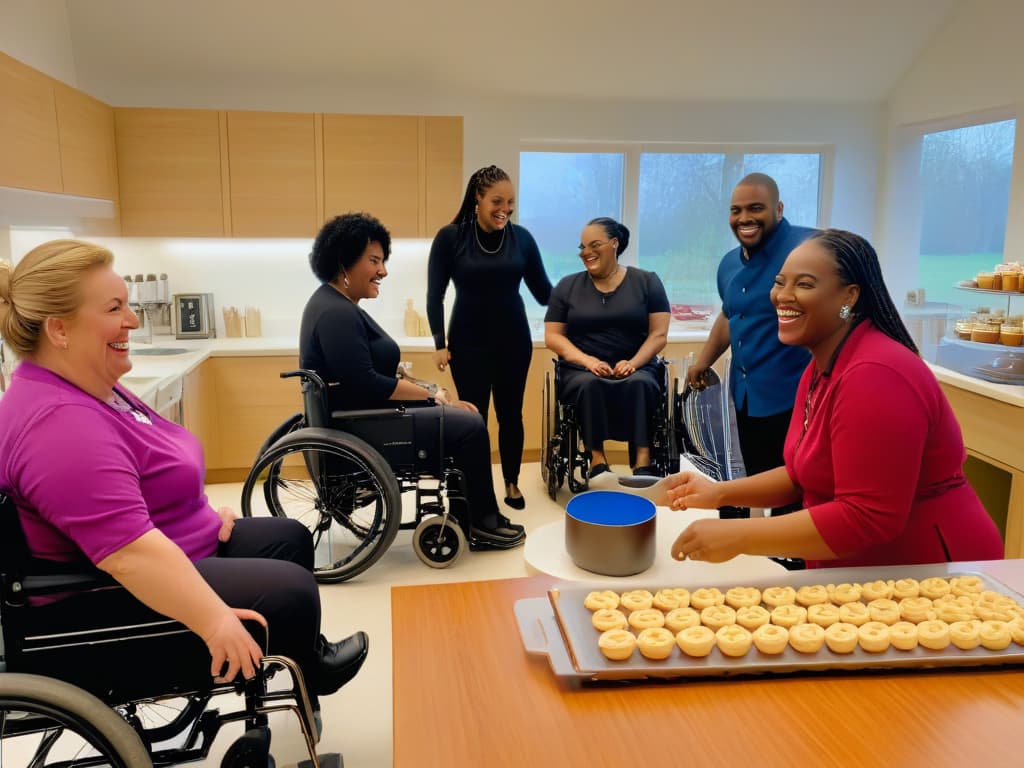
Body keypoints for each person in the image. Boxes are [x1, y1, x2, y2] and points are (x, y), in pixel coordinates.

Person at [0, 239, 368, 711]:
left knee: (291, 538)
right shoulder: (57, 427)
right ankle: (298, 667)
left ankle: (302, 661)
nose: (132, 321)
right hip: (100, 595)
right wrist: (214, 621)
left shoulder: (87, 388)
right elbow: (129, 556)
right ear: (59, 329)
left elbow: (139, 481)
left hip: (156, 550)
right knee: (291, 593)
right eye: (115, 308)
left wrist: (195, 512)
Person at [661, 229, 1004, 568]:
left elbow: (867, 517)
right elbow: (802, 475)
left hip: (932, 572)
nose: (783, 296)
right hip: (871, 568)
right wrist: (718, 493)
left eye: (805, 284)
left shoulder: (876, 374)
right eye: (780, 282)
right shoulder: (821, 365)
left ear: (849, 296)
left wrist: (738, 536)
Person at [300, 212, 525, 547]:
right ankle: (482, 521)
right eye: (374, 261)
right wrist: (431, 396)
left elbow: (373, 378)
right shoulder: (336, 314)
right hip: (369, 427)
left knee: (465, 415)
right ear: (344, 261)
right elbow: (368, 384)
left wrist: (433, 391)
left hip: (367, 419)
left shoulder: (336, 305)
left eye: (383, 261)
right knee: (471, 427)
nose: (383, 271)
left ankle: (473, 515)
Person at [687, 173, 816, 518]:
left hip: (798, 398)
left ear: (778, 208)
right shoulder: (729, 264)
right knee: (760, 480)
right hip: (747, 396)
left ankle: (794, 565)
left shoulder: (810, 250)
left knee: (798, 491)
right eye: (736, 210)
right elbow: (731, 316)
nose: (744, 218)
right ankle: (766, 558)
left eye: (756, 208)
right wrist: (704, 361)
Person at [427, 165, 552, 510]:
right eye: (497, 200)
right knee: (473, 420)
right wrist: (439, 343)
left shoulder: (522, 239)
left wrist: (582, 294)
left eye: (510, 202)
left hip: (514, 342)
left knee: (511, 416)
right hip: (467, 344)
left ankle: (511, 482)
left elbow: (544, 293)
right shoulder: (450, 238)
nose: (505, 209)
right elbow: (434, 294)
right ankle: (477, 490)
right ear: (478, 199)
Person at [544, 217, 670, 477]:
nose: (586, 253)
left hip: (637, 365)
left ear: (614, 244)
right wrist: (587, 361)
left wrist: (633, 363)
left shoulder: (647, 282)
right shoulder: (567, 287)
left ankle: (642, 462)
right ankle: (597, 460)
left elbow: (659, 334)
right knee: (589, 385)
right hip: (581, 369)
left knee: (641, 384)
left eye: (594, 245)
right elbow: (553, 336)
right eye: (582, 247)